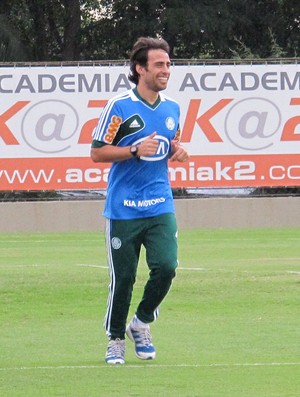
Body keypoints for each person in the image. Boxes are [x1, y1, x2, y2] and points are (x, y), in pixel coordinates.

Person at [90, 36, 189, 365]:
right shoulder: (119, 107)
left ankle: (141, 322)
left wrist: (178, 151)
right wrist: (133, 149)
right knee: (125, 277)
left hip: (160, 203)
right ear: (140, 68)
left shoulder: (173, 108)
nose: (166, 70)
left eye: (168, 64)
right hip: (123, 208)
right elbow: (97, 152)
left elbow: (169, 145)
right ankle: (115, 337)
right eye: (159, 64)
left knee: (167, 267)